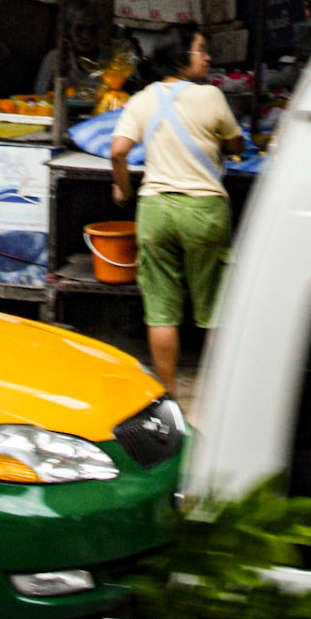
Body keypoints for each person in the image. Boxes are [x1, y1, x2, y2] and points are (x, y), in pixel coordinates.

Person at [110, 27, 243, 398]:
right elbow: (235, 143)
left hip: (155, 211)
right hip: (203, 211)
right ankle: (220, 396)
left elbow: (118, 150)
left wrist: (122, 186)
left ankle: (167, 394)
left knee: (161, 311)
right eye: (201, 50)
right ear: (180, 58)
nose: (208, 57)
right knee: (215, 309)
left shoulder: (142, 99)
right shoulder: (212, 96)